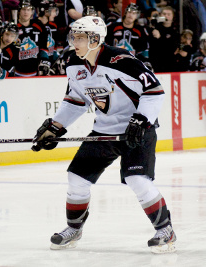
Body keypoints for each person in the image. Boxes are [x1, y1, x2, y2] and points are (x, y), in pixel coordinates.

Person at [32, 16, 176, 253]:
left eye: (80, 37)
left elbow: (154, 90)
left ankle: (165, 230)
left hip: (137, 129)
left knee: (137, 179)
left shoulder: (120, 60)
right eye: (73, 36)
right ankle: (74, 228)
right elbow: (75, 101)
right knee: (77, 179)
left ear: (96, 39)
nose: (74, 41)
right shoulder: (72, 62)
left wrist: (141, 119)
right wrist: (55, 126)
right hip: (104, 130)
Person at [15, 0, 50, 77]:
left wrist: (44, 59)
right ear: (19, 11)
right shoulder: (13, 28)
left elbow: (43, 47)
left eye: (28, 10)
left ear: (32, 12)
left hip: (35, 72)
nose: (26, 12)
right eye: (24, 9)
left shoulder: (39, 26)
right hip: (16, 73)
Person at [148, 6, 180, 73]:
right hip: (156, 63)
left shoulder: (175, 32)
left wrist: (160, 38)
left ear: (173, 17)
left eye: (168, 14)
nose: (166, 16)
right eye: (164, 14)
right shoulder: (156, 27)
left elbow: (171, 49)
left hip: (169, 65)